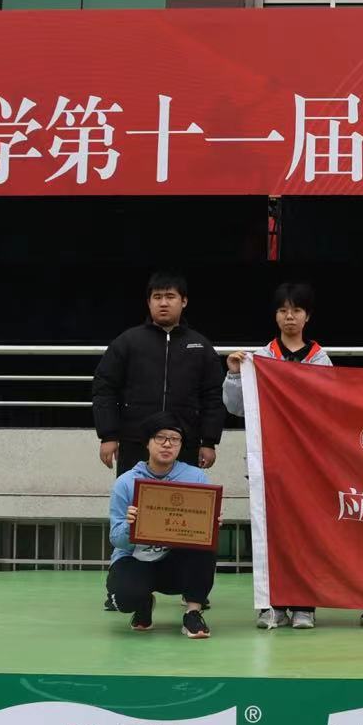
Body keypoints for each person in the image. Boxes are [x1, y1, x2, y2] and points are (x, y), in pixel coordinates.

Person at [92, 271, 226, 611]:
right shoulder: (128, 342)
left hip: (184, 446)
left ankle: (191, 587)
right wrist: (108, 434)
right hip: (134, 443)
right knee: (132, 517)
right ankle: (126, 583)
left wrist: (209, 440)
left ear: (184, 301)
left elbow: (213, 396)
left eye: (170, 297)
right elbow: (104, 388)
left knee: (184, 519)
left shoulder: (200, 346)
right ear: (148, 302)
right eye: (156, 297)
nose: (163, 303)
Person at [224, 282, 332, 631]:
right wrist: (235, 374)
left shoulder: (321, 359)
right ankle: (271, 605)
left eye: (296, 310)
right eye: (284, 310)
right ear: (275, 315)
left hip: (309, 464)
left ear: (307, 316)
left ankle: (304, 605)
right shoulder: (259, 359)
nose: (290, 317)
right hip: (268, 462)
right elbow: (236, 407)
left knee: (306, 534)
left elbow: (330, 408)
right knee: (268, 534)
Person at [107, 412, 216, 639]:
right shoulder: (125, 482)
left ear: (181, 445)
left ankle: (193, 612)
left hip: (177, 560)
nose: (167, 444)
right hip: (136, 559)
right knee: (123, 599)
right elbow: (116, 539)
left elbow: (203, 529)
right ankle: (143, 603)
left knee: (206, 545)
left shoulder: (196, 477)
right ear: (147, 443)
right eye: (160, 437)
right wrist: (130, 526)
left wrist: (211, 524)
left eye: (174, 439)